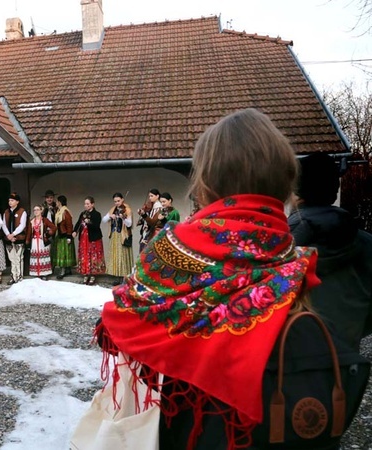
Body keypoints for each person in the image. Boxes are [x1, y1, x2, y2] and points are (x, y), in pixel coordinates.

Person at [93, 108, 321, 449]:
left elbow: (120, 320)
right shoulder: (294, 258)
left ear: (206, 183)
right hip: (275, 426)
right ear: (285, 182)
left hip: (184, 426)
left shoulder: (169, 248)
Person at [288, 152, 372, 351]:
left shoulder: (280, 247)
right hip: (346, 362)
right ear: (334, 192)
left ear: (296, 193)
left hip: (290, 365)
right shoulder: (367, 244)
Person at [101, 192, 133, 284]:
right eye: (115, 201)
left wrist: (123, 218)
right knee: (115, 256)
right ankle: (117, 277)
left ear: (122, 199)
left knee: (123, 255)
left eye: (118, 201)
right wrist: (110, 217)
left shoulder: (127, 209)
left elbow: (129, 224)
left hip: (123, 235)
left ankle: (124, 278)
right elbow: (103, 220)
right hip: (114, 235)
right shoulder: (113, 209)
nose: (117, 203)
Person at [73, 196, 105, 285]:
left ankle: (93, 274)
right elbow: (78, 223)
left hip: (93, 238)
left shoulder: (96, 214)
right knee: (85, 254)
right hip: (84, 238)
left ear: (92, 204)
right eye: (85, 204)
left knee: (93, 254)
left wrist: (89, 222)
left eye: (88, 204)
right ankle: (86, 273)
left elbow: (96, 226)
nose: (86, 205)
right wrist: (75, 231)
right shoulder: (83, 213)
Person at [25, 204, 56, 279]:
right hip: (34, 241)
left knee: (43, 256)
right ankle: (36, 272)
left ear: (41, 211)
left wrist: (47, 235)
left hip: (42, 241)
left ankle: (44, 273)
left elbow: (54, 227)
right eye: (34, 210)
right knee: (36, 256)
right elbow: (29, 232)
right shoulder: (32, 221)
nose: (36, 211)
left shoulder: (44, 220)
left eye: (37, 210)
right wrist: (27, 241)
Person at [2, 192, 27, 285]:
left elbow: (22, 225)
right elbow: (3, 224)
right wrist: (8, 235)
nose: (10, 202)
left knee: (18, 258)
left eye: (12, 200)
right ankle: (13, 276)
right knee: (12, 258)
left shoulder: (22, 211)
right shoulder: (6, 212)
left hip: (18, 237)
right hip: (9, 238)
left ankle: (19, 277)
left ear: (17, 201)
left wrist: (13, 234)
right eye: (9, 200)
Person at [53, 195, 76, 279]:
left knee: (64, 254)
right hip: (60, 235)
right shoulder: (59, 211)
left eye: (57, 201)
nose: (56, 203)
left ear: (59, 202)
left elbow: (69, 225)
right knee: (64, 254)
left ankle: (63, 271)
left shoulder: (65, 212)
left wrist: (69, 236)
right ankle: (68, 270)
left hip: (65, 235)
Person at [137, 188, 162, 252]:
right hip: (147, 230)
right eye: (149, 196)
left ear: (157, 196)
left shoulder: (158, 207)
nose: (150, 198)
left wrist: (144, 215)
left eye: (152, 196)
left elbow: (153, 222)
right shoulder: (151, 206)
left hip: (153, 232)